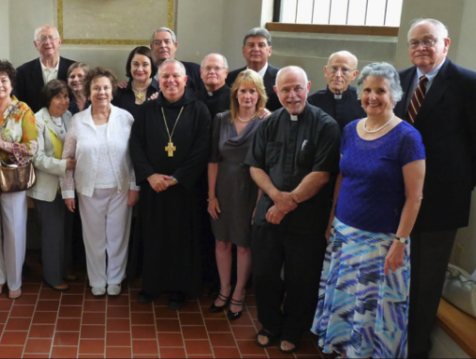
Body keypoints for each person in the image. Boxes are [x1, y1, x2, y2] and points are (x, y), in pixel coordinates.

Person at [311, 62, 426, 359]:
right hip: (344, 234)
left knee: (375, 312)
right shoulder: (350, 130)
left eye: (380, 91)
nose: (372, 97)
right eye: (367, 90)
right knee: (346, 302)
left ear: (395, 95)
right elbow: (342, 177)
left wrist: (399, 242)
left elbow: (415, 197)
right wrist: (332, 218)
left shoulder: (407, 137)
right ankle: (343, 350)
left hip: (382, 242)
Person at [392, 18, 476, 358]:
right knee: (395, 274)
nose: (420, 48)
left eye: (429, 41)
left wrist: (455, 186)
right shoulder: (398, 81)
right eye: (414, 42)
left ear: (445, 45)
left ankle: (414, 348)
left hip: (441, 203)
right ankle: (390, 340)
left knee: (425, 281)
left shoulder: (468, 84)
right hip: (396, 199)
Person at [247, 66, 340, 353]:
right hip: (269, 215)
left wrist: (289, 203)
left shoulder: (326, 125)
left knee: (302, 278)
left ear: (308, 86)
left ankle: (293, 329)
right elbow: (255, 166)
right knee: (264, 274)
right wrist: (276, 197)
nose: (292, 94)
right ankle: (270, 324)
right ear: (276, 91)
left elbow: (322, 173)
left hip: (307, 219)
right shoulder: (268, 123)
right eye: (285, 89)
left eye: (297, 88)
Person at [130, 59, 211, 310]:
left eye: (176, 76)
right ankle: (152, 284)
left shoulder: (199, 110)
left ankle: (179, 288)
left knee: (180, 239)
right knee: (154, 236)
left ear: (185, 80)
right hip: (154, 188)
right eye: (165, 77)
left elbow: (202, 149)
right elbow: (136, 146)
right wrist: (150, 176)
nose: (170, 81)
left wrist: (178, 178)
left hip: (185, 190)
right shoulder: (147, 110)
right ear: (159, 81)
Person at [60, 67, 139, 297]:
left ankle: (115, 278)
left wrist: (135, 186)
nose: (101, 92)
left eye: (105, 88)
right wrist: (67, 192)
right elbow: (68, 158)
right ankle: (96, 279)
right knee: (93, 238)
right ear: (89, 91)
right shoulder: (77, 120)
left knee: (117, 237)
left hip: (120, 188)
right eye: (96, 88)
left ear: (112, 91)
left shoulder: (125, 118)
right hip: (88, 189)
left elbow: (135, 157)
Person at [0, 59, 38, 300]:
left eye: (4, 80)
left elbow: (32, 147)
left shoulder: (23, 110)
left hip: (13, 179)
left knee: (14, 229)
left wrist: (4, 145)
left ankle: (14, 281)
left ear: (11, 83)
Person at [208, 69, 267, 320]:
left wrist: (259, 202)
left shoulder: (266, 122)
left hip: (251, 189)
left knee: (244, 245)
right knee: (221, 241)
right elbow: (212, 160)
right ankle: (224, 289)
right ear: (235, 94)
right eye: (242, 90)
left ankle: (240, 293)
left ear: (259, 95)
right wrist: (211, 196)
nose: (247, 95)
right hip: (223, 188)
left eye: (252, 91)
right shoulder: (221, 119)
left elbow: (266, 165)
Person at [28, 79, 77, 292]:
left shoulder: (69, 117)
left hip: (67, 187)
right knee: (51, 234)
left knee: (65, 232)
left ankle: (64, 269)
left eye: (66, 96)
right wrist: (63, 165)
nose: (63, 101)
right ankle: (52, 276)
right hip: (46, 188)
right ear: (48, 99)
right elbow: (36, 158)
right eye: (58, 96)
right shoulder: (36, 120)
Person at [14, 25, 77, 112]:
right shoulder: (22, 72)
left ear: (59, 42)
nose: (47, 42)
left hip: (68, 122)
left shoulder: (74, 69)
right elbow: (19, 105)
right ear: (36, 44)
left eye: (51, 37)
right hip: (33, 123)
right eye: (42, 38)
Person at [308, 51, 366, 131]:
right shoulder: (312, 102)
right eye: (334, 69)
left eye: (345, 70)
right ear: (326, 71)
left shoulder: (363, 101)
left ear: (354, 75)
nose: (338, 75)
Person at [227, 28, 281, 111]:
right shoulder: (231, 78)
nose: (256, 49)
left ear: (269, 51)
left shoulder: (280, 78)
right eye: (251, 45)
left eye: (261, 45)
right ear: (243, 51)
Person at [149, 27, 202, 94]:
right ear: (151, 48)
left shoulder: (194, 71)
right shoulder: (145, 74)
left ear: (175, 46)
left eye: (167, 41)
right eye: (157, 43)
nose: (162, 45)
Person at [112, 46, 159, 119]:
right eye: (136, 64)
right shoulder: (119, 92)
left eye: (145, 64)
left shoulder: (161, 91)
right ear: (130, 66)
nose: (140, 69)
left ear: (152, 67)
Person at [197, 53, 231, 119]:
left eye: (217, 68)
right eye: (208, 68)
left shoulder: (235, 98)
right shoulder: (194, 99)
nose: (212, 72)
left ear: (226, 73)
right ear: (201, 73)